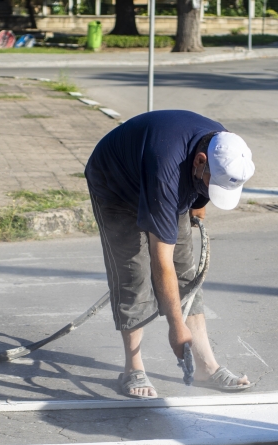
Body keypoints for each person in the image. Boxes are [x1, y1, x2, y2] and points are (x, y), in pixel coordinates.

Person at [84, 110, 255, 399]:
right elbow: (161, 262)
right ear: (201, 162)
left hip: (164, 175)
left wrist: (200, 200)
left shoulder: (224, 146)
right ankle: (133, 367)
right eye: (211, 185)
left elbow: (201, 195)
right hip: (116, 184)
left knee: (186, 270)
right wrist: (176, 326)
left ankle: (206, 367)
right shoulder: (167, 171)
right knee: (133, 271)